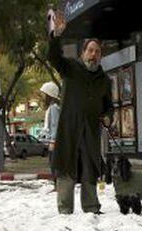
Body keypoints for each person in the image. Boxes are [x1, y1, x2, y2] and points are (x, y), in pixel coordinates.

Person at [47, 11, 113, 215]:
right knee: (67, 168)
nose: (93, 54)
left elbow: (108, 106)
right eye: (90, 50)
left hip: (91, 131)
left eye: (97, 52)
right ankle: (65, 209)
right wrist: (56, 36)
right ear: (83, 53)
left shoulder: (104, 80)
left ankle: (91, 206)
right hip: (70, 129)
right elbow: (53, 57)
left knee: (90, 168)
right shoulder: (70, 69)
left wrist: (109, 117)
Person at [39, 81, 61, 182]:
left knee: (54, 163)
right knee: (54, 162)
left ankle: (57, 184)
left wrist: (53, 140)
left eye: (45, 94)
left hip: (55, 141)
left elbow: (54, 125)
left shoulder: (53, 108)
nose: (43, 97)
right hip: (55, 140)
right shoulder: (54, 107)